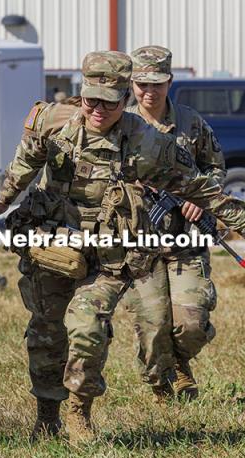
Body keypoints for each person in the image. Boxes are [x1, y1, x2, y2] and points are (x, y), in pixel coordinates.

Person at [0, 51, 245, 443]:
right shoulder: (52, 120)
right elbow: (28, 156)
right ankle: (46, 414)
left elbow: (199, 185)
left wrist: (241, 221)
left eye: (111, 101)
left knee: (87, 329)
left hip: (107, 256)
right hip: (52, 248)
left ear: (126, 98)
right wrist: (4, 199)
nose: (99, 109)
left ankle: (78, 412)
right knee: (46, 333)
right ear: (81, 93)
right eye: (92, 99)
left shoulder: (148, 141)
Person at [124, 46, 225, 401]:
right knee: (153, 328)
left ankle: (180, 362)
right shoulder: (121, 125)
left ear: (170, 81)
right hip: (139, 245)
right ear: (131, 83)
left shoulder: (191, 122)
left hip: (186, 241)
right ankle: (162, 385)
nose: (149, 92)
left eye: (157, 83)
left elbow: (215, 169)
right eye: (141, 84)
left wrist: (200, 198)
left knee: (191, 325)